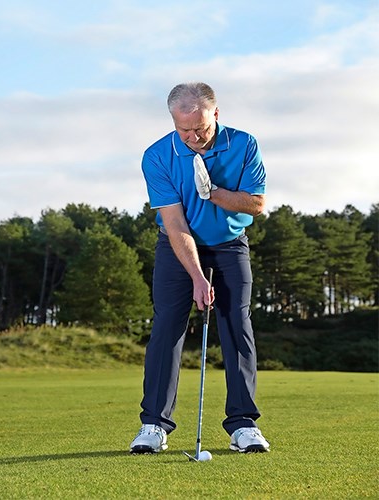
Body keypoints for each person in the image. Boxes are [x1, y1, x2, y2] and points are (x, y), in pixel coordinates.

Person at [130, 82, 269, 454]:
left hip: (229, 245)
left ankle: (243, 425)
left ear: (216, 115)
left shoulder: (244, 144)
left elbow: (256, 204)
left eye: (201, 129)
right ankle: (154, 425)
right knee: (167, 328)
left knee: (237, 326)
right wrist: (196, 277)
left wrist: (214, 194)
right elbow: (175, 223)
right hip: (177, 244)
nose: (193, 138)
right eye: (184, 130)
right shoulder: (157, 156)